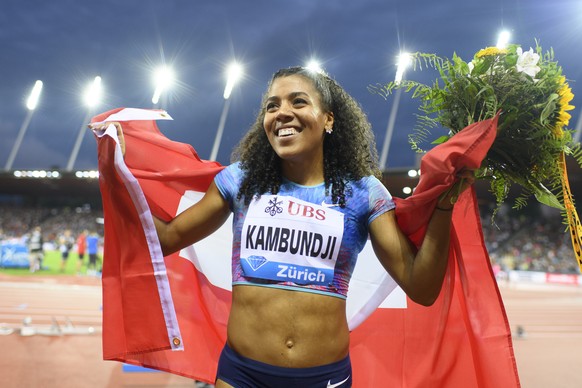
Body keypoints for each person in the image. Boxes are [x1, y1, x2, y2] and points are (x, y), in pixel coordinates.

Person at [91, 66, 474, 387]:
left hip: (324, 378)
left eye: (298, 101)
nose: (282, 112)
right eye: (272, 106)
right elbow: (166, 238)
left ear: (328, 119)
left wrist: (444, 204)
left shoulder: (363, 192)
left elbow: (420, 287)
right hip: (241, 374)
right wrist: (117, 175)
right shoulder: (241, 181)